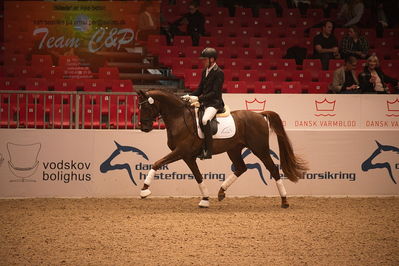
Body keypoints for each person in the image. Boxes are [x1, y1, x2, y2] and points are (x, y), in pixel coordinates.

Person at [182, 48, 225, 159]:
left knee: (205, 120)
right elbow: (200, 89)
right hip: (205, 102)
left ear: (212, 59)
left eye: (205, 59)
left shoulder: (219, 72)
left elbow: (215, 93)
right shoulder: (205, 71)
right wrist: (189, 96)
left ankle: (208, 150)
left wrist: (198, 99)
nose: (202, 61)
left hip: (214, 103)